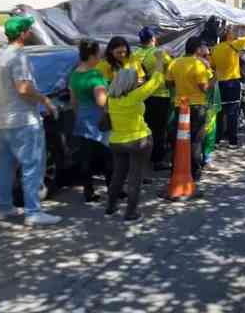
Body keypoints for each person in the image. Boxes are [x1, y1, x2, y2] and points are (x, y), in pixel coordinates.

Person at [0, 17, 61, 226]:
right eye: (28, 29)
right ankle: (33, 212)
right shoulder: (19, 56)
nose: (30, 32)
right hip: (23, 119)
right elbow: (23, 87)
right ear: (22, 34)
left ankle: (5, 208)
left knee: (5, 165)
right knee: (32, 165)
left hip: (3, 119)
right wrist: (45, 100)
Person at [106, 50, 166, 223]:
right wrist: (160, 60)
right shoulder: (134, 97)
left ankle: (110, 206)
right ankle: (130, 213)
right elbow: (156, 81)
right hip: (139, 140)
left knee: (118, 174)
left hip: (117, 141)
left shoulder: (112, 98)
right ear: (130, 83)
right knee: (135, 177)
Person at [69, 39, 111, 203]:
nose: (100, 56)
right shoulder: (95, 75)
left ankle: (88, 191)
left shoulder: (75, 74)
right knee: (108, 157)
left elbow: (73, 101)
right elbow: (101, 101)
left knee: (85, 159)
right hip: (98, 122)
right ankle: (113, 189)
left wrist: (78, 115)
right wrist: (109, 110)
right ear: (93, 55)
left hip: (82, 121)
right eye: (99, 53)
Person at [167, 39, 213, 183]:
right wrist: (213, 76)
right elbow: (204, 88)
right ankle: (194, 171)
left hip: (180, 105)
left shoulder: (175, 63)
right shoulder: (199, 64)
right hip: (197, 106)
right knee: (195, 139)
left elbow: (168, 83)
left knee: (179, 140)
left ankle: (176, 169)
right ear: (197, 49)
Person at [210, 17, 245, 148]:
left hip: (219, 83)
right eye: (232, 31)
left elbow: (212, 65)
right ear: (227, 35)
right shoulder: (234, 44)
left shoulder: (215, 49)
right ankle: (232, 141)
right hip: (232, 83)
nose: (235, 33)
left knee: (220, 112)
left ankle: (217, 140)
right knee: (232, 112)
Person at [133, 27, 173, 172]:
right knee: (159, 129)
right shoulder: (159, 53)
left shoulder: (135, 54)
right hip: (160, 95)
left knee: (145, 127)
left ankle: (144, 158)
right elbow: (171, 67)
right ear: (153, 38)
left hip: (142, 96)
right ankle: (157, 160)